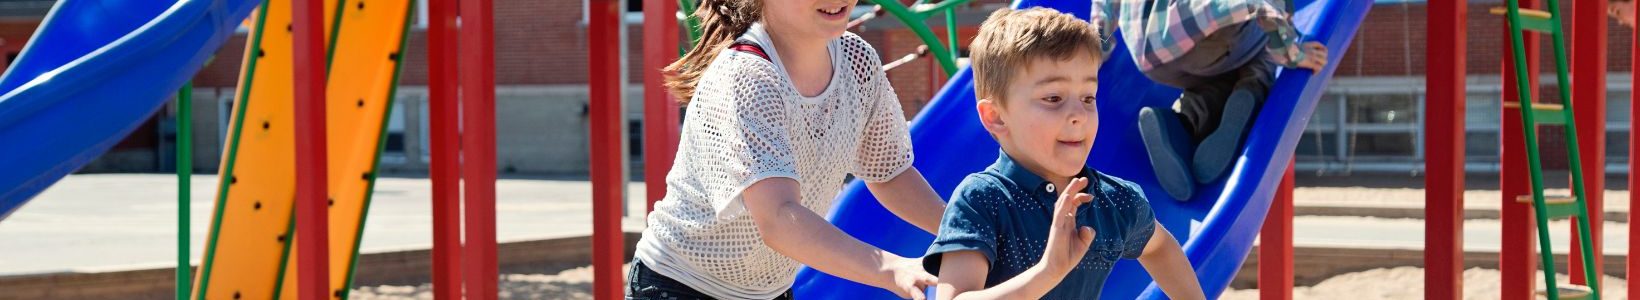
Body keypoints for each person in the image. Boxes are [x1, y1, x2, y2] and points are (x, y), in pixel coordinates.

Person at [922, 8, 1205, 299]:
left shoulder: (1113, 200)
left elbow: (1159, 247)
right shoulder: (983, 199)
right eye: (1054, 98)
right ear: (996, 116)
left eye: (1088, 98)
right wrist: (1047, 273)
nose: (1078, 115)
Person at [1098, 0, 1329, 200]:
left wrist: (1100, 47)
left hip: (1150, 57)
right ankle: (1248, 94)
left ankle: (1185, 122)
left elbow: (1105, 7)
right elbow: (1267, 8)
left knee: (1214, 76)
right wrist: (1292, 54)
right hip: (1208, 38)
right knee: (1263, 46)